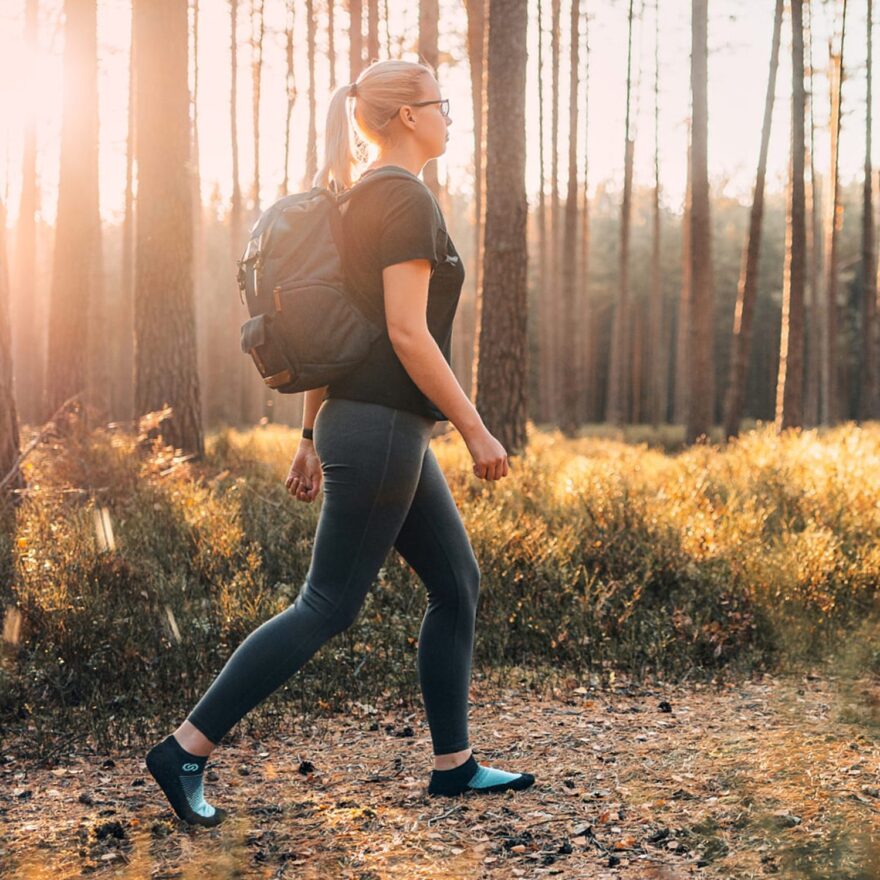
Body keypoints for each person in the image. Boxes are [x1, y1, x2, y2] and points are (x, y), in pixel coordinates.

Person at [145, 58, 535, 828]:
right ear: (405, 118)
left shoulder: (357, 198)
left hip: (369, 423)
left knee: (456, 584)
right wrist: (476, 427)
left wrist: (308, 433)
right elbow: (403, 334)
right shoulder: (405, 199)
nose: (450, 115)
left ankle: (454, 766)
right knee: (326, 603)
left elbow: (335, 331)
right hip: (387, 425)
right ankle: (186, 747)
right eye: (440, 104)